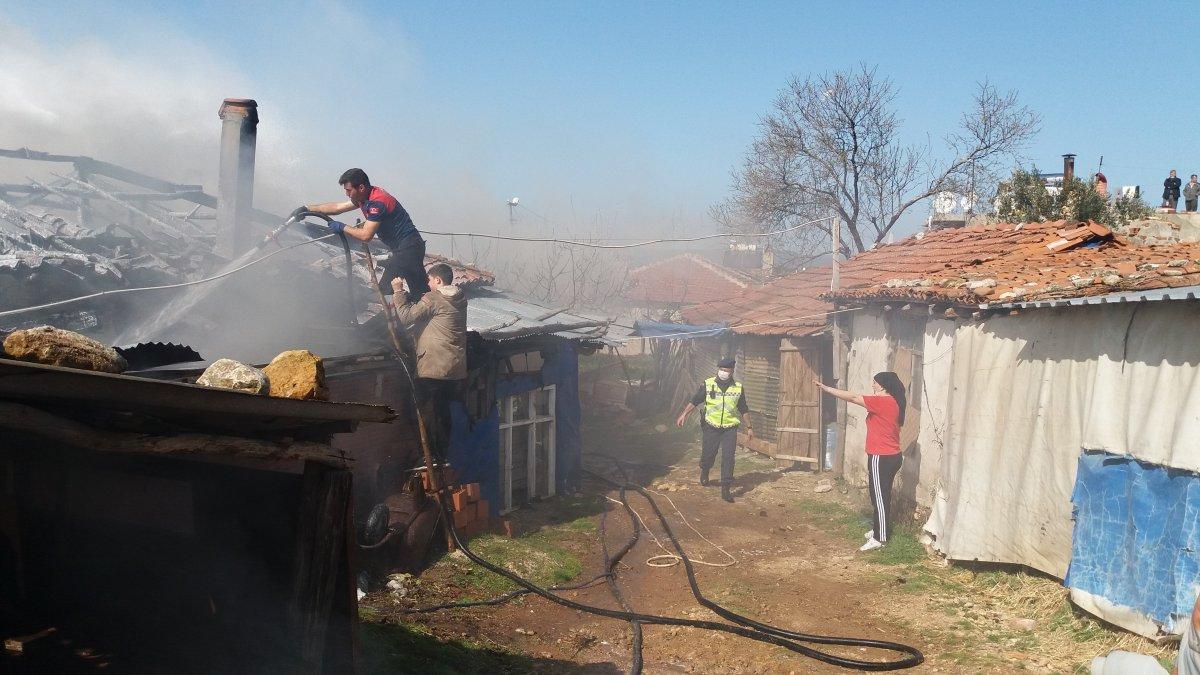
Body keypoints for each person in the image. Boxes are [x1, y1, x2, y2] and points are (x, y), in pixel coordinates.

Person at [292, 168, 430, 301]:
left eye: (349, 190)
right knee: (420, 290)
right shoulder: (365, 196)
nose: (347, 194)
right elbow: (337, 208)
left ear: (361, 188)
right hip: (405, 248)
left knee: (385, 288)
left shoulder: (378, 202)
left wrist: (342, 226)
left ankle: (399, 318)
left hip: (409, 248)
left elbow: (366, 236)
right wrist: (307, 208)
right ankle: (425, 312)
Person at [814, 372, 906, 552]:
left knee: (879, 497)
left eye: (874, 383)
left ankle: (880, 538)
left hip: (882, 456)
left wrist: (827, 389)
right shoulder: (893, 402)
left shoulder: (882, 402)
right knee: (879, 494)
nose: (872, 385)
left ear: (882, 385)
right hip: (891, 456)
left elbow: (854, 397)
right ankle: (879, 530)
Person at [393, 263, 467, 454]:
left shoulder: (433, 298)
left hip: (433, 367)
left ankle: (432, 456)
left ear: (438, 280)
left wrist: (399, 291)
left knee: (427, 412)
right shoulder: (459, 298)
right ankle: (441, 455)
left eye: (429, 279)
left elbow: (407, 317)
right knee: (442, 412)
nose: (427, 283)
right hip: (452, 368)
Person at [675, 357, 753, 503]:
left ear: (732, 371)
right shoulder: (708, 384)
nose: (723, 372)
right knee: (709, 454)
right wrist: (684, 414)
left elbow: (743, 408)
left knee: (728, 457)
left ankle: (725, 488)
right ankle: (705, 470)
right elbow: (695, 400)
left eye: (726, 370)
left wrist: (749, 427)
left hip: (729, 428)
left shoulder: (738, 388)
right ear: (718, 370)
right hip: (711, 426)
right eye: (721, 370)